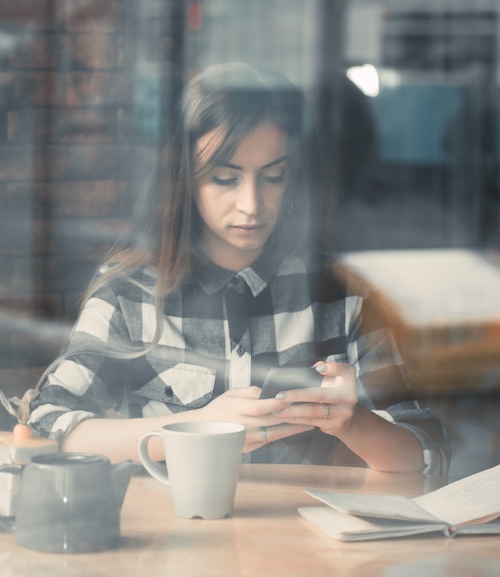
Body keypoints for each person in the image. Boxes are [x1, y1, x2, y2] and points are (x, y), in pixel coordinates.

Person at [28, 62, 449, 473]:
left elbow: (427, 453)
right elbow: (45, 425)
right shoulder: (129, 293)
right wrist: (197, 430)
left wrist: (353, 422)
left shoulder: (343, 294)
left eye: (273, 177)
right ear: (185, 178)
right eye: (225, 179)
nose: (251, 205)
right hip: (174, 537)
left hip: (305, 540)